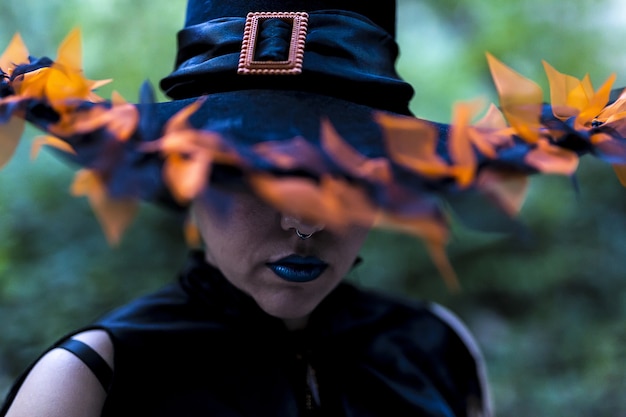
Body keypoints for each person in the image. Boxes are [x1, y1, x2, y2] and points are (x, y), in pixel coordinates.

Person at [1, 0, 626, 416]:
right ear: (185, 173)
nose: (305, 220)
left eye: (340, 173)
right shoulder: (90, 379)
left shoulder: (436, 348)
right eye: (258, 174)